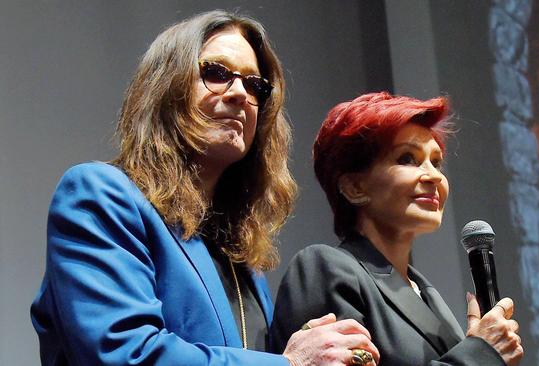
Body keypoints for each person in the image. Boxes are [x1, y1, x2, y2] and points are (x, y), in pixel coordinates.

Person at [30, 10, 379, 366]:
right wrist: (291, 364)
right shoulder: (100, 193)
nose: (241, 93)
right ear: (166, 87)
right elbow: (124, 354)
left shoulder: (237, 253)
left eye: (255, 85)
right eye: (216, 73)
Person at [270, 92, 524, 365]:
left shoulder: (428, 295)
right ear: (354, 187)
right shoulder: (326, 268)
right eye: (407, 159)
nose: (434, 175)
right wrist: (480, 354)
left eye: (436, 162)